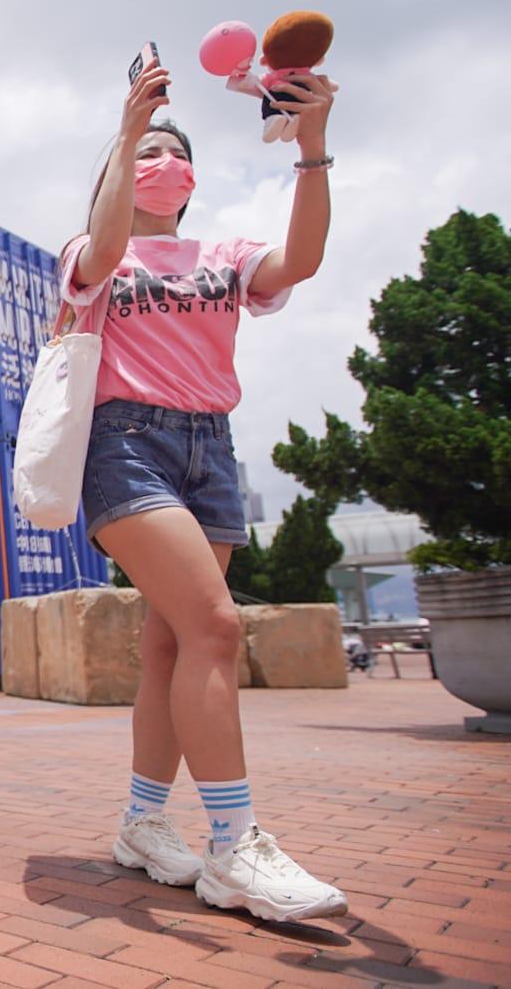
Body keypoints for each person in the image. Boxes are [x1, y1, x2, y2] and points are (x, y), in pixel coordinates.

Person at [60, 59, 344, 921]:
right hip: (128, 444)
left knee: (173, 644)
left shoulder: (224, 256)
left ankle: (144, 821)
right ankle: (235, 847)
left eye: (173, 148)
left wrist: (313, 145)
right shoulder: (89, 252)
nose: (162, 157)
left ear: (194, 177)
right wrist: (124, 129)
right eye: (145, 149)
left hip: (209, 450)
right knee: (217, 625)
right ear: (118, 167)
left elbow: (302, 257)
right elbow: (103, 250)